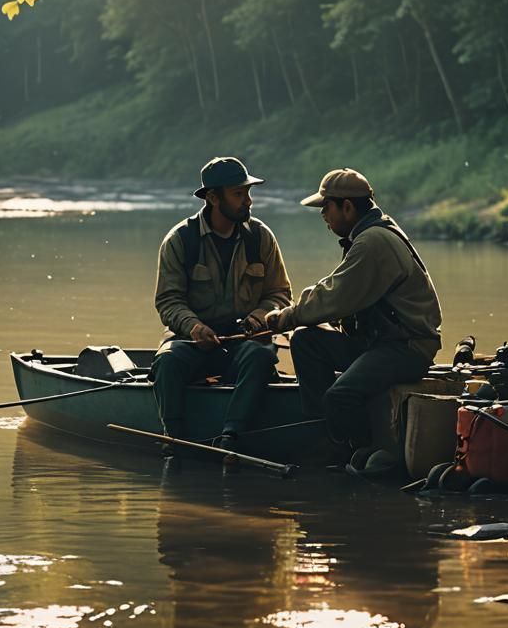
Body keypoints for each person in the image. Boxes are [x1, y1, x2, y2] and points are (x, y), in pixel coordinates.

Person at [265, 168, 442, 454]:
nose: (323, 215)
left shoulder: (373, 241)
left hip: (405, 348)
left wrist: (284, 317)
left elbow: (333, 296)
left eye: (326, 207)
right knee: (305, 340)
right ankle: (322, 431)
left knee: (340, 396)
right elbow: (343, 298)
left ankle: (356, 453)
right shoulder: (368, 234)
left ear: (347, 207)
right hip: (379, 343)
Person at [151, 156, 292, 452]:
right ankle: (174, 440)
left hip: (245, 341)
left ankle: (232, 437)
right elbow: (168, 300)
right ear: (213, 198)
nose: (248, 201)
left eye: (248, 193)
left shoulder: (261, 237)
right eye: (239, 194)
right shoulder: (180, 240)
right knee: (167, 362)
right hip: (191, 341)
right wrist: (193, 327)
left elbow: (280, 293)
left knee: (260, 357)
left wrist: (258, 317)